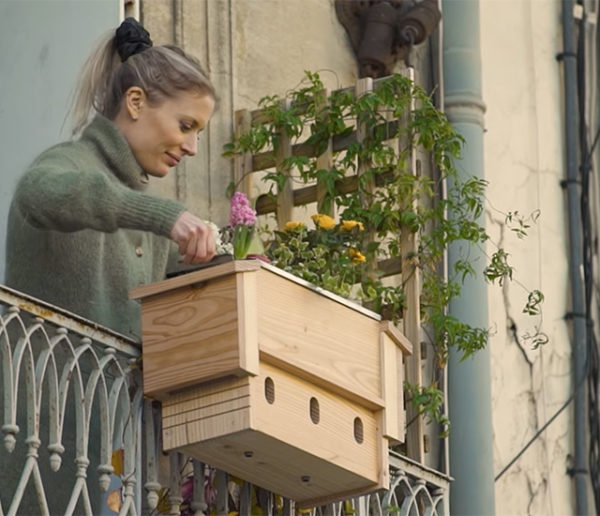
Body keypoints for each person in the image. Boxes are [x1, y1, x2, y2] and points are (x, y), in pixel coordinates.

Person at [5, 18, 219, 340]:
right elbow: (34, 193)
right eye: (186, 126)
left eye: (199, 134)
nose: (192, 148)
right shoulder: (68, 162)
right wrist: (162, 217)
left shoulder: (154, 222)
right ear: (135, 102)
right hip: (48, 388)